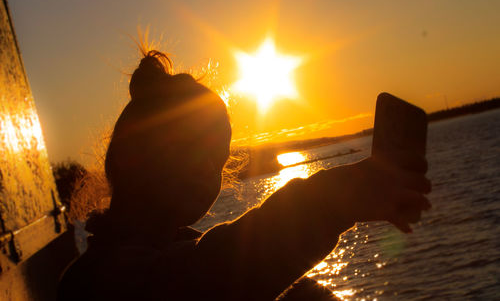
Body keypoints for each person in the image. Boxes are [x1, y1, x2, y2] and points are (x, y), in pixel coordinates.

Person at [57, 49, 431, 301]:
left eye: (217, 159)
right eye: (189, 147)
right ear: (130, 156)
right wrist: (334, 199)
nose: (205, 167)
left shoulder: (182, 247)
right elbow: (208, 277)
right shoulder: (91, 282)